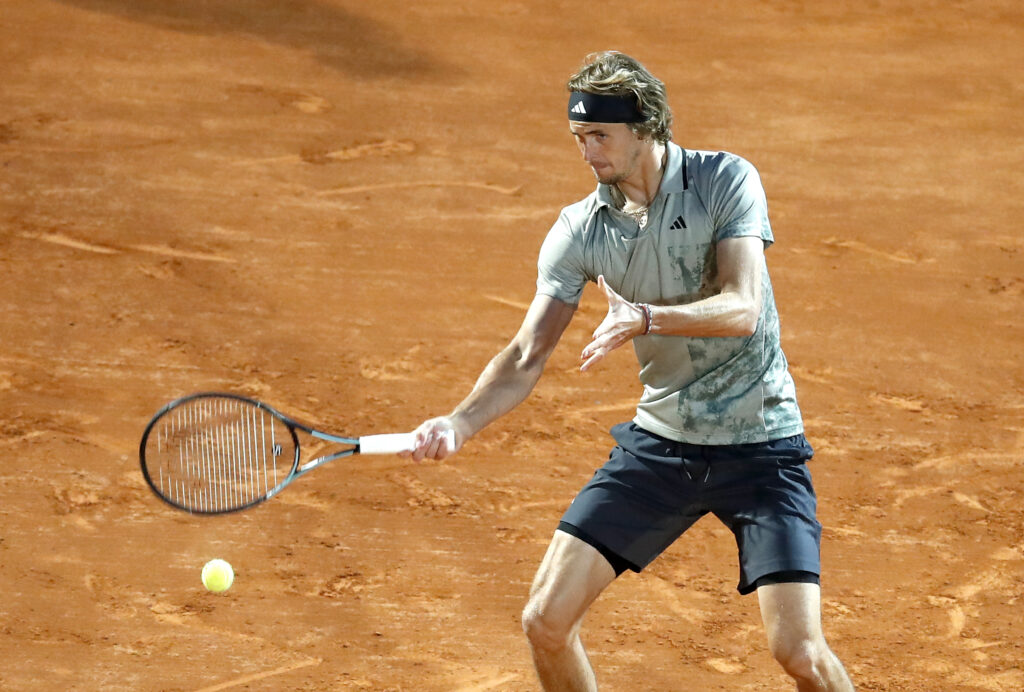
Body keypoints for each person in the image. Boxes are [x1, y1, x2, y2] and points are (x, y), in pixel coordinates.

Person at [405, 50, 855, 691]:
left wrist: (644, 319)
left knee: (799, 653)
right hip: (662, 447)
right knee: (545, 620)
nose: (587, 152)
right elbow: (527, 354)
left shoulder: (724, 180)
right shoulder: (581, 229)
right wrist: (458, 422)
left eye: (599, 136)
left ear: (645, 127)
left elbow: (742, 308)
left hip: (759, 444)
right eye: (579, 137)